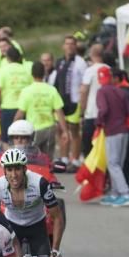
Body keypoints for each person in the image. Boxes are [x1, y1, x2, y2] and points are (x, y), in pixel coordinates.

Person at [95, 66, 129, 206]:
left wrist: (99, 122)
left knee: (112, 163)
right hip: (124, 130)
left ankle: (124, 194)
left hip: (112, 130)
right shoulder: (120, 90)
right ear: (110, 77)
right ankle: (115, 193)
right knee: (119, 163)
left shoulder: (101, 91)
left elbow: (103, 109)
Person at [15, 60, 67, 157]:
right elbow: (59, 112)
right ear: (44, 73)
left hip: (32, 130)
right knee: (47, 160)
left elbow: (20, 114)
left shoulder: (26, 91)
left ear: (32, 74)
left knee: (32, 159)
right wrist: (65, 131)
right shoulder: (52, 90)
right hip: (49, 129)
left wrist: (14, 128)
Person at [52, 35, 86, 168]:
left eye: (72, 44)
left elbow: (84, 82)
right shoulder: (59, 62)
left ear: (75, 46)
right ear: (63, 46)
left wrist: (83, 103)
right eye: (67, 44)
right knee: (60, 129)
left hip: (74, 101)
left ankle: (75, 158)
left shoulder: (80, 62)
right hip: (61, 101)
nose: (70, 46)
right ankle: (64, 157)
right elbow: (56, 81)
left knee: (74, 130)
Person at [0, 46, 33, 146]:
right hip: (23, 108)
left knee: (6, 139)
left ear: (7, 58)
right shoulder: (26, 70)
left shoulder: (3, 70)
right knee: (23, 138)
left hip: (8, 107)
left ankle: (9, 159)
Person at [78, 44, 108, 156]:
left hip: (91, 113)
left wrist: (82, 111)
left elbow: (84, 91)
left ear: (91, 54)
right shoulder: (108, 69)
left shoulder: (90, 71)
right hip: (105, 114)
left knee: (89, 147)